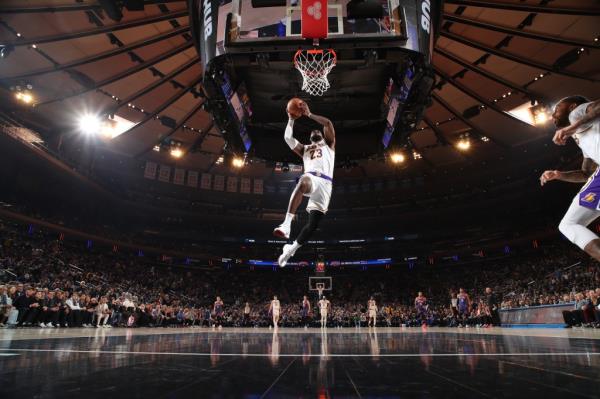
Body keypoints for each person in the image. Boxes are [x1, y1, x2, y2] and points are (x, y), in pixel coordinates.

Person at [274, 100, 336, 267]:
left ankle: (291, 249)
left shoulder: (329, 145)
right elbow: (288, 138)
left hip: (326, 185)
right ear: (310, 138)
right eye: (312, 133)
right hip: (312, 178)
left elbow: (328, 123)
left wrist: (309, 114)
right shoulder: (305, 149)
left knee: (312, 225)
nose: (315, 132)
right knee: (303, 181)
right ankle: (286, 224)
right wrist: (291, 119)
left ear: (322, 136)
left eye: (318, 131)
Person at [541, 96, 600, 260]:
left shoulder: (576, 112)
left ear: (572, 106)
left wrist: (572, 127)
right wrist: (559, 175)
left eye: (557, 109)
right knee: (569, 224)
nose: (553, 116)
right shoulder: (584, 135)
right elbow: (586, 174)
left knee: (569, 224)